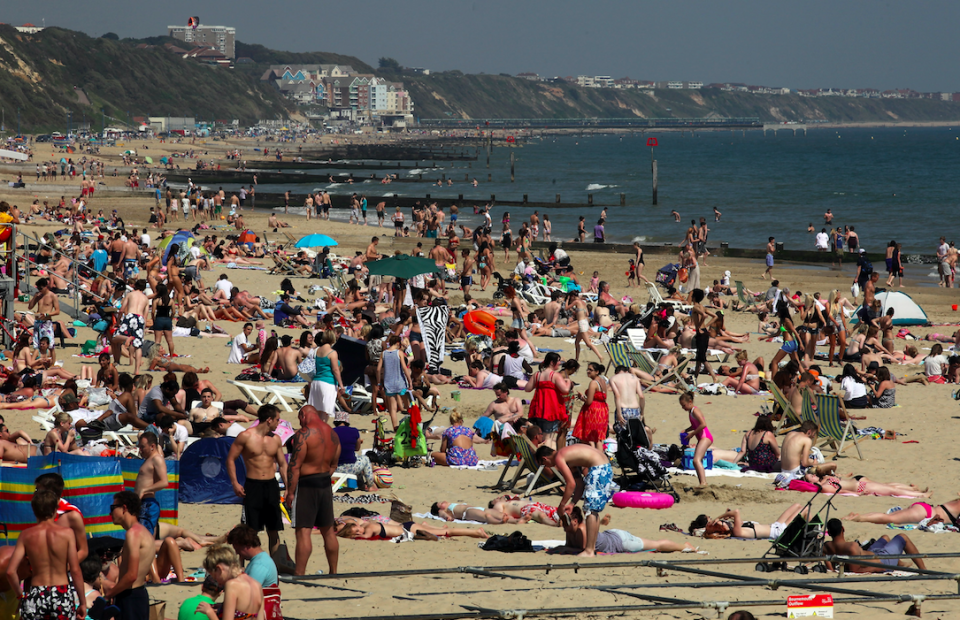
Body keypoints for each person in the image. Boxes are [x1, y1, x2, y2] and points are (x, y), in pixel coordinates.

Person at [6, 490, 85, 620]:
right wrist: (82, 602)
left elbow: (10, 572)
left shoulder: (26, 535)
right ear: (55, 509)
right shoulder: (67, 534)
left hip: (36, 593)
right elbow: (75, 570)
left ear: (34, 510)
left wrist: (21, 596)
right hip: (61, 594)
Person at [285, 405, 340, 575]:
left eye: (299, 418)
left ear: (303, 415)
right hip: (324, 483)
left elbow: (295, 467)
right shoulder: (332, 433)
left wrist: (290, 491)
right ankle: (333, 571)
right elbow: (333, 465)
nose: (300, 422)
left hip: (307, 484)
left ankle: (299, 574)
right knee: (328, 531)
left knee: (303, 531)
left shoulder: (303, 434)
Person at [226, 404, 287, 556]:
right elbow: (230, 459)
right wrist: (235, 483)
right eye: (277, 420)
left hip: (271, 486)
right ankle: (248, 565)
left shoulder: (276, 439)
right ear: (269, 420)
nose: (279, 423)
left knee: (274, 529)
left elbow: (283, 464)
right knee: (251, 530)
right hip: (253, 486)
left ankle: (273, 566)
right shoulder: (246, 436)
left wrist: (289, 488)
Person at [535, 444, 617, 557]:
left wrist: (562, 505)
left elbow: (571, 484)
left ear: (545, 458)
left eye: (544, 465)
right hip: (603, 467)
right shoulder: (568, 458)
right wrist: (572, 504)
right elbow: (579, 485)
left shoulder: (559, 457)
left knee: (590, 510)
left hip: (598, 468)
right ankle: (591, 548)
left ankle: (589, 551)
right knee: (592, 510)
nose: (547, 467)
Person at [554, 506, 697, 555]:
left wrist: (565, 549)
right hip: (611, 535)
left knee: (656, 545)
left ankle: (684, 546)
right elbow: (569, 547)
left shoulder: (582, 531)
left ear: (575, 521)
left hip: (621, 542)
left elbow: (581, 550)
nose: (563, 526)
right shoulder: (570, 530)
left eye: (566, 522)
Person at [103, 491, 155, 619]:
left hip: (130, 597)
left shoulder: (133, 534)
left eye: (113, 508)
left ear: (124, 508)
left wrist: (109, 594)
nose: (110, 513)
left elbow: (132, 575)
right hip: (139, 595)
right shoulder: (144, 532)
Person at [824, 519, 926, 573]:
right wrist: (874, 568)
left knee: (885, 537)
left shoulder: (826, 546)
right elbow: (855, 570)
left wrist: (833, 569)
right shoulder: (852, 547)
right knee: (903, 537)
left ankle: (900, 563)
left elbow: (830, 568)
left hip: (874, 553)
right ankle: (923, 570)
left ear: (829, 533)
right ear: (843, 529)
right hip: (882, 561)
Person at [196, 545, 263, 620]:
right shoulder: (257, 584)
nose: (219, 583)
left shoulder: (232, 585)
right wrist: (222, 607)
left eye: (215, 578)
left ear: (219, 569)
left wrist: (209, 612)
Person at [524, 352, 572, 449]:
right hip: (550, 410)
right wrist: (568, 382)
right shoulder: (555, 375)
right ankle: (546, 461)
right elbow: (565, 390)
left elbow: (527, 389)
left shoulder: (537, 374)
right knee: (548, 437)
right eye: (558, 361)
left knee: (538, 436)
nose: (559, 363)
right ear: (552, 362)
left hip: (537, 409)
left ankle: (537, 459)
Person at [690, 504, 809, 540]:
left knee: (797, 506)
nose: (720, 521)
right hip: (779, 532)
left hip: (775, 525)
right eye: (719, 523)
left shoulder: (736, 529)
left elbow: (737, 518)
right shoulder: (737, 532)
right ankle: (813, 531)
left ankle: (811, 530)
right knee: (805, 509)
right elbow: (736, 512)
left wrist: (727, 517)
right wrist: (721, 516)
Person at [332, 411, 377, 491]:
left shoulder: (331, 431)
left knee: (356, 457)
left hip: (335, 468)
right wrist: (358, 441)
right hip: (351, 468)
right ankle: (370, 486)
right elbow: (357, 448)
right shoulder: (354, 431)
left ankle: (361, 485)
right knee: (365, 459)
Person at [135, 433, 168, 537]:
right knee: (144, 536)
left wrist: (144, 490)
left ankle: (181, 544)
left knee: (144, 537)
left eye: (143, 447)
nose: (140, 450)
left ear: (152, 446)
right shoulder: (148, 460)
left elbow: (164, 482)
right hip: (143, 503)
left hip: (148, 503)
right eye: (139, 446)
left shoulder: (156, 459)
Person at [804, 471, 930, 498]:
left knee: (886, 485)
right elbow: (840, 491)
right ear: (810, 482)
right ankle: (920, 494)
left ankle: (913, 489)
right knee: (891, 489)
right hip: (860, 486)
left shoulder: (825, 478)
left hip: (857, 480)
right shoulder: (823, 487)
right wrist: (856, 493)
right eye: (810, 475)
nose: (813, 474)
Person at [572, 362, 609, 450]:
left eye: (590, 370)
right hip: (602, 409)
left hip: (593, 411)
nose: (588, 371)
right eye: (588, 369)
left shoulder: (593, 383)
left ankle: (590, 458)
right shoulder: (602, 381)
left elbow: (589, 401)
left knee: (589, 437)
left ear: (597, 371)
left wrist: (581, 398)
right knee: (598, 438)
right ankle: (600, 459)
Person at [679, 392, 712, 486]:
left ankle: (703, 483)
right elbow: (695, 425)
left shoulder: (695, 410)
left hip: (705, 437)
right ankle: (702, 483)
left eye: (684, 405)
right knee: (697, 461)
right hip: (702, 438)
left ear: (690, 402)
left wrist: (692, 434)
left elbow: (703, 424)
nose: (683, 408)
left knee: (696, 460)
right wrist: (686, 430)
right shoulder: (691, 412)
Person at [309, 330, 345, 416]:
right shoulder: (332, 352)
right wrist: (341, 385)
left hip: (316, 382)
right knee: (325, 412)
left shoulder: (317, 351)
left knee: (317, 411)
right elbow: (335, 370)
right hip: (328, 382)